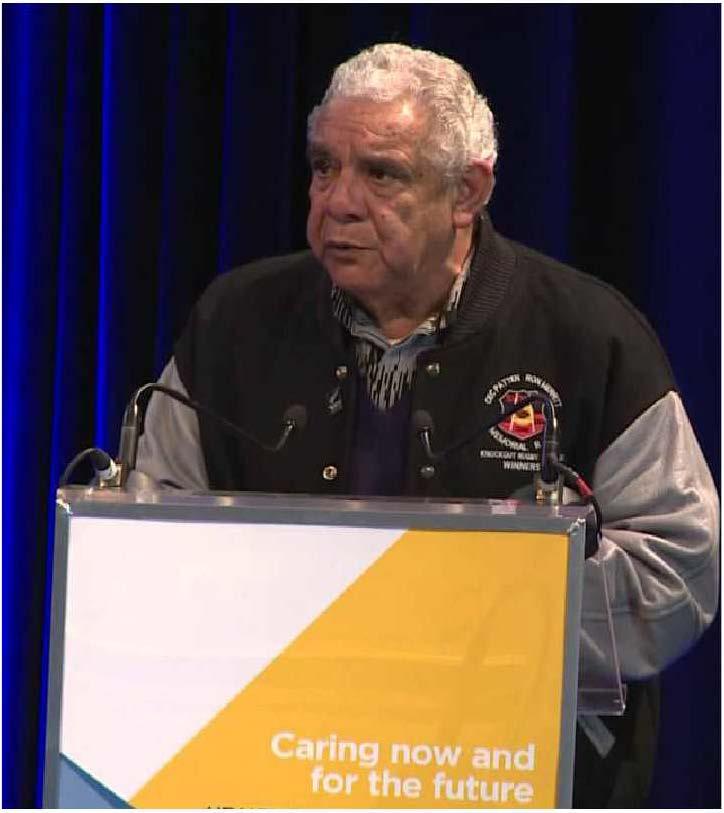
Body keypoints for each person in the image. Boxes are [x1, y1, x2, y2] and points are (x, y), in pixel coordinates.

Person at [136, 44, 718, 806]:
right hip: (285, 754)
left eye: (381, 174)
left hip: (501, 766)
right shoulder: (233, 322)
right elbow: (148, 522)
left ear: (466, 191)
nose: (339, 202)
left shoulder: (588, 335)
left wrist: (479, 617)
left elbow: (680, 558)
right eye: (323, 166)